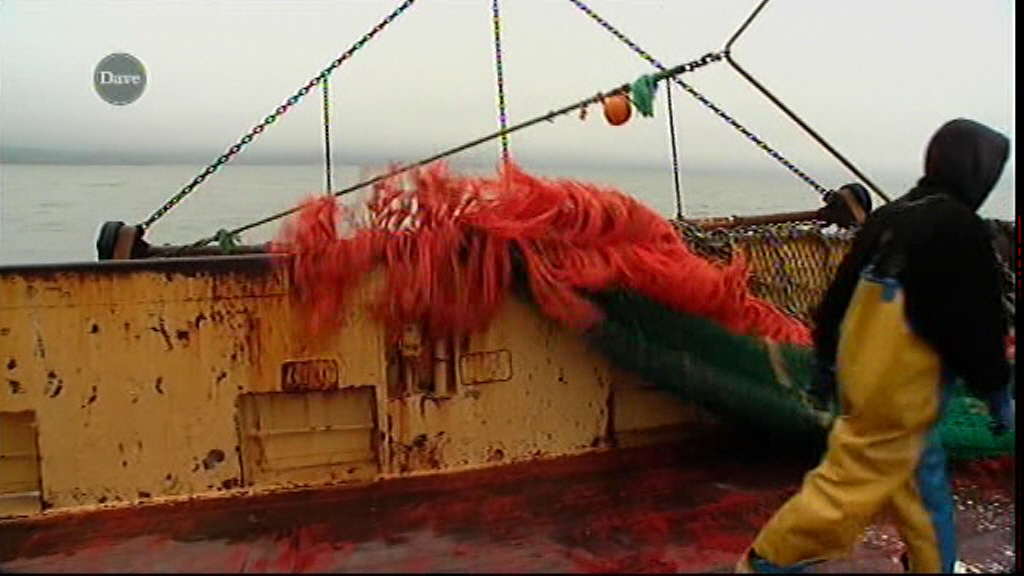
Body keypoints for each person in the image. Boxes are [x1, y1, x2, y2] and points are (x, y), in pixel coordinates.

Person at [736, 118, 1015, 574]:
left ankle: (933, 565)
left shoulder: (890, 216)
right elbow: (975, 324)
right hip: (901, 397)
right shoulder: (961, 229)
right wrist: (996, 391)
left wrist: (825, 363)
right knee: (844, 492)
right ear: (976, 172)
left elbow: (839, 297)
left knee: (922, 490)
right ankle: (767, 561)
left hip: (861, 381)